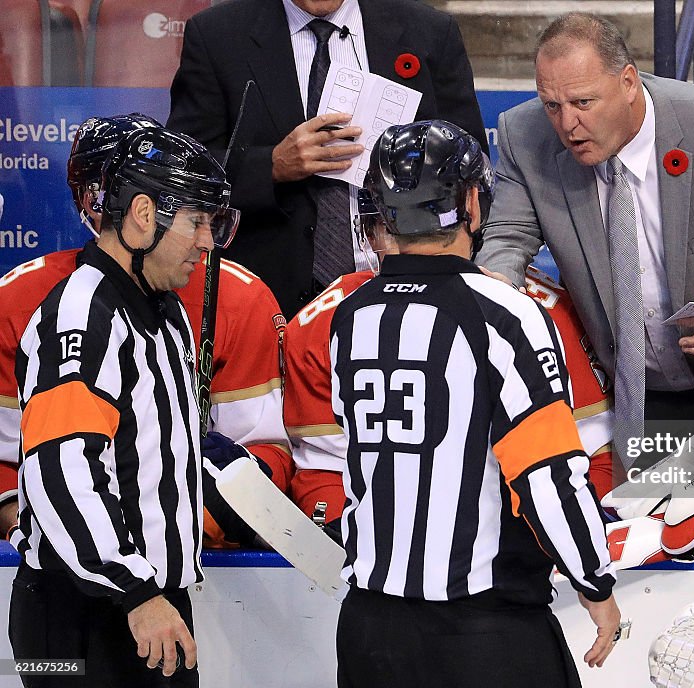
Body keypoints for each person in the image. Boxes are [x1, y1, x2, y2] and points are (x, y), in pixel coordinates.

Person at [331, 119, 619, 688]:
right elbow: (548, 472)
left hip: (369, 627)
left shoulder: (351, 315)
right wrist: (594, 582)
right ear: (471, 202)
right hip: (481, 632)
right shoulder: (503, 312)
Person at [476, 12, 694, 460]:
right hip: (624, 401)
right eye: (552, 105)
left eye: (583, 103)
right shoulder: (523, 135)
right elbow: (508, 236)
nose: (566, 124)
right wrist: (493, 289)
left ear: (628, 82)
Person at [8, 127, 263, 686]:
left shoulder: (163, 309)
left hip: (143, 604)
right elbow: (62, 471)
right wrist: (136, 593)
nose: (207, 241)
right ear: (143, 213)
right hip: (84, 614)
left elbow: (157, 449)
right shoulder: (81, 316)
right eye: (197, 220)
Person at [0, 115, 292, 548]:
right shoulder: (22, 301)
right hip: (81, 577)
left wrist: (200, 515)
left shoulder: (239, 300)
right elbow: (19, 464)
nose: (207, 241)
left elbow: (269, 454)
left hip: (196, 567)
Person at [284, 194, 615, 523]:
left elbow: (596, 457)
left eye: (430, 223)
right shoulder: (321, 326)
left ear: (470, 217)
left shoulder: (540, 313)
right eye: (397, 226)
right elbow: (324, 472)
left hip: (522, 542)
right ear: (370, 235)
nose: (418, 246)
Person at [167, 0, 487, 319]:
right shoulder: (218, 35)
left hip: (412, 289)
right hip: (272, 306)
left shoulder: (429, 32)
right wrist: (272, 165)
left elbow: (473, 169)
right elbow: (183, 171)